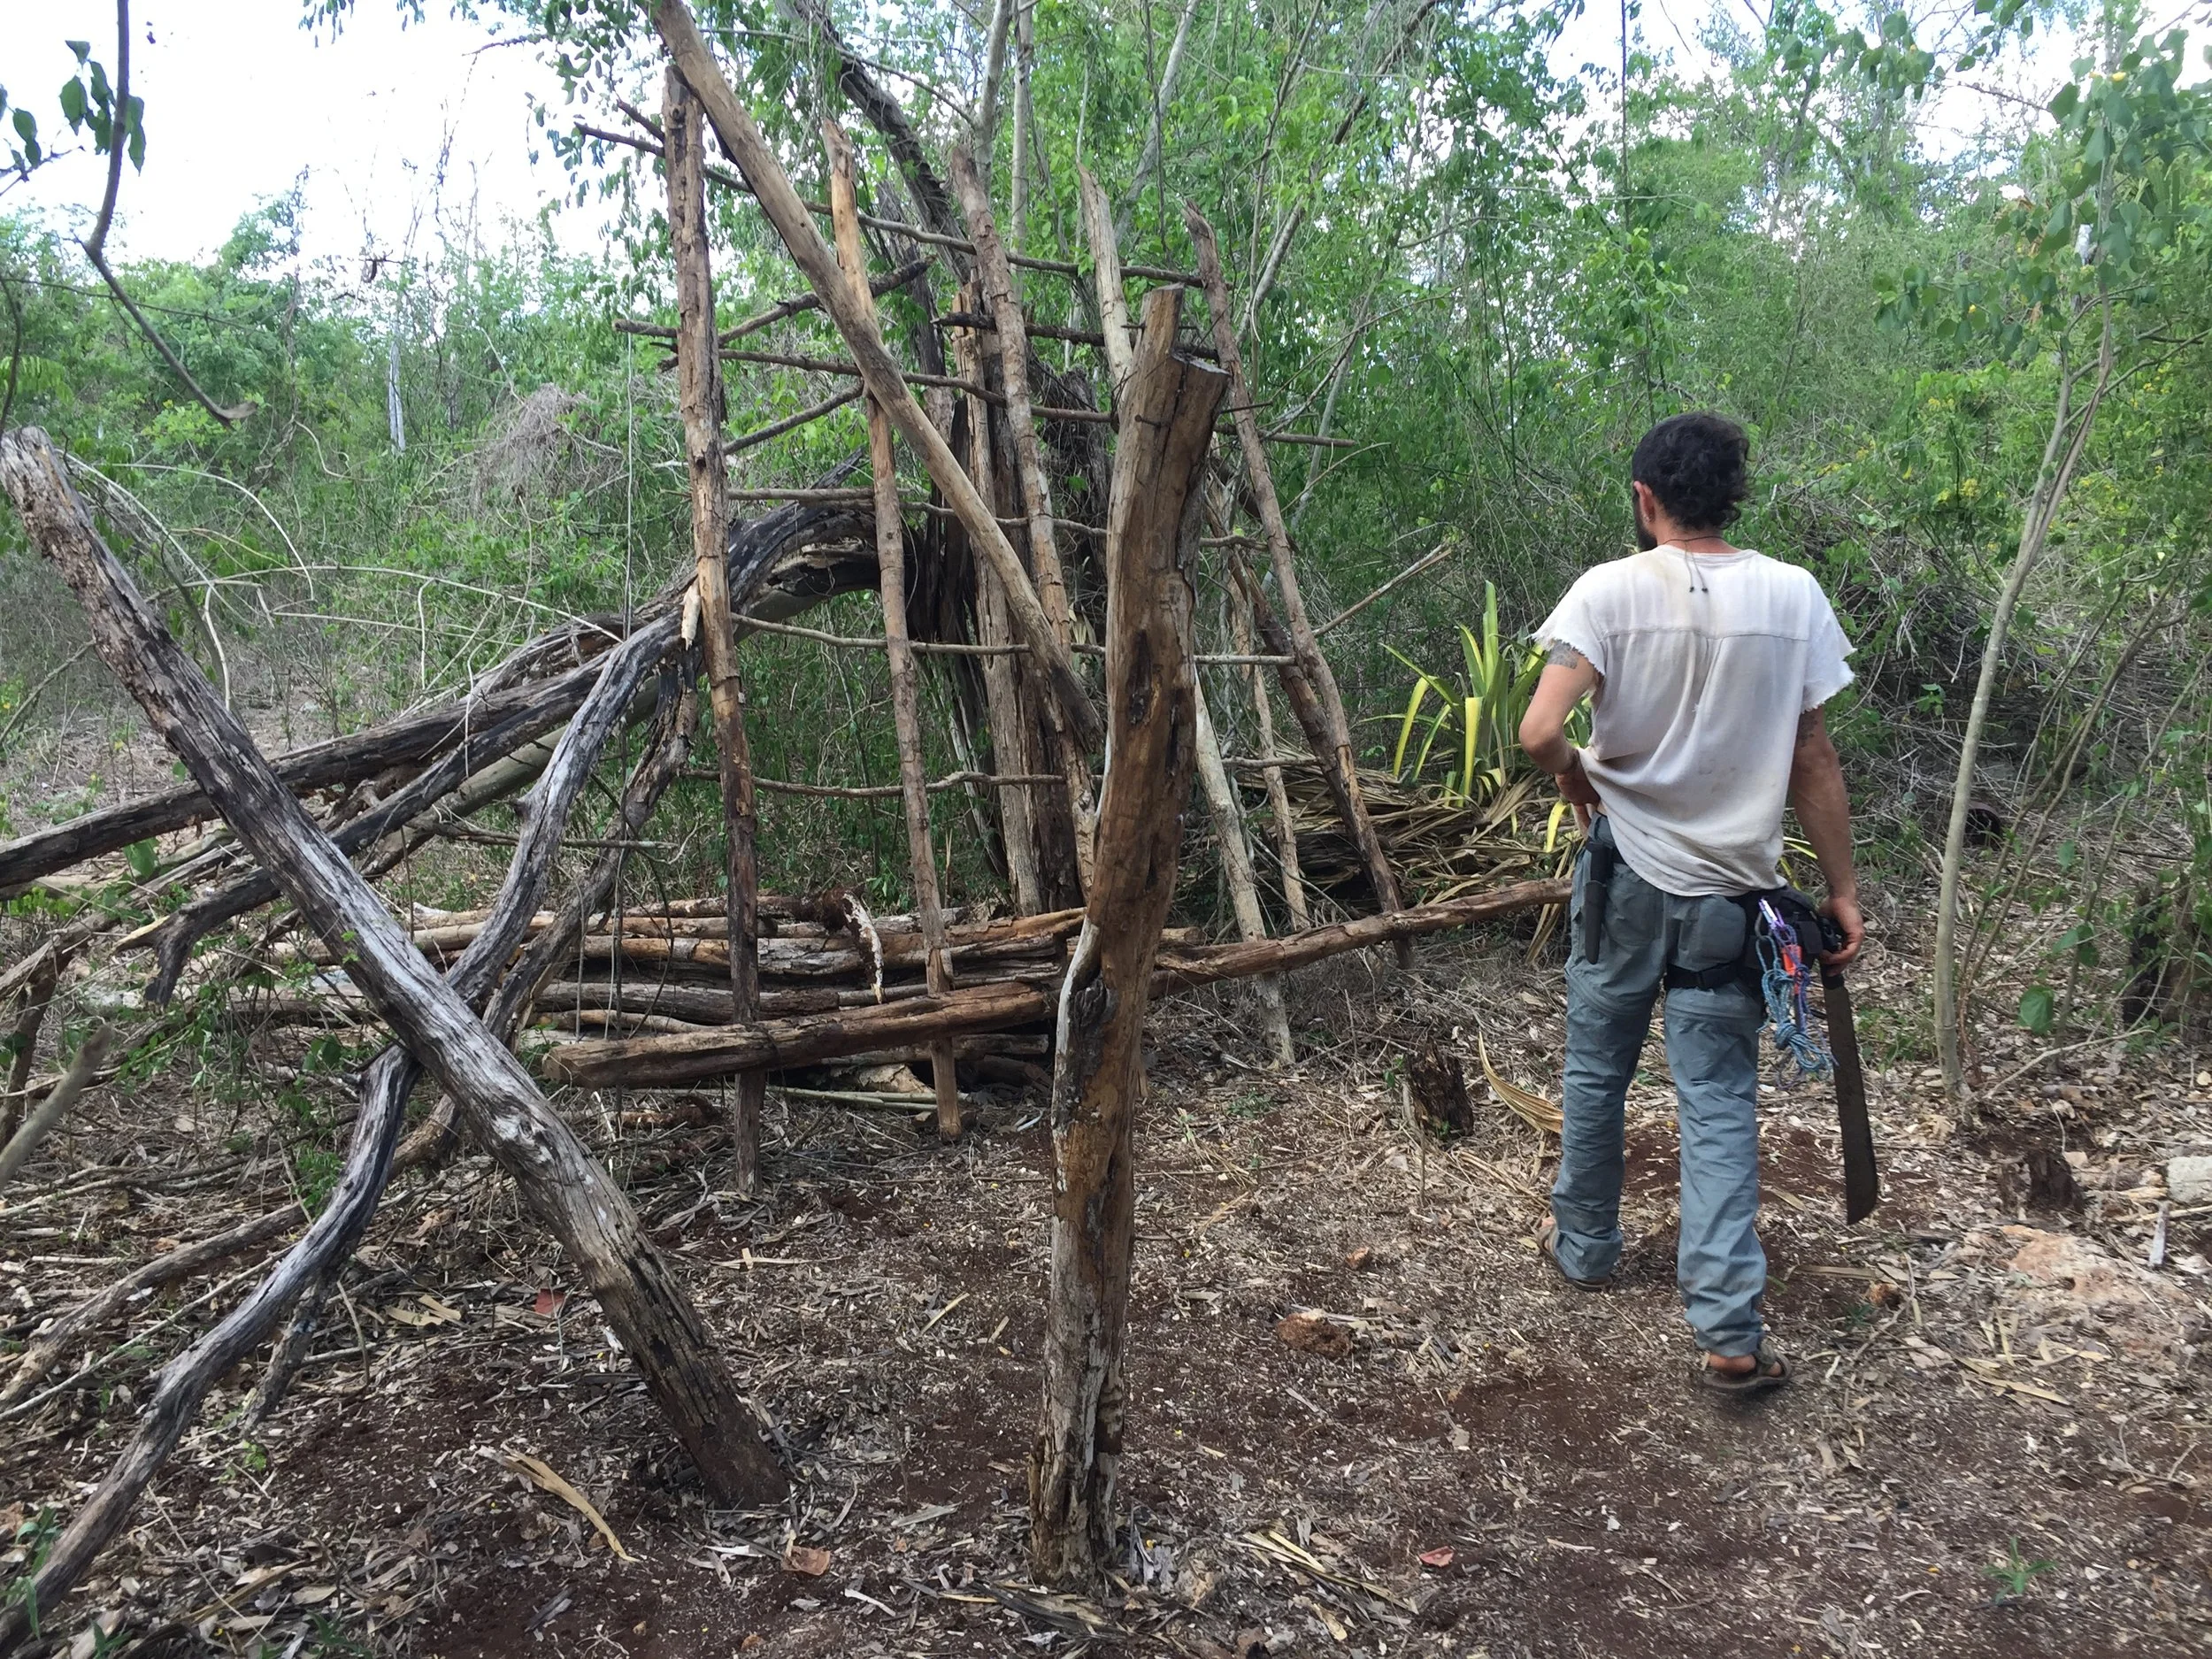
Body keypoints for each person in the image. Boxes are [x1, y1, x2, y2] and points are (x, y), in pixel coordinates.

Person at [1517, 411, 1865, 1394]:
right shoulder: (1793, 596)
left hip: (1626, 878)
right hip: (1733, 899)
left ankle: (1583, 1250)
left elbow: (1540, 729)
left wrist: (1580, 775)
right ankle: (1726, 1332)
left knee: (1597, 1070)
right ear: (1732, 496)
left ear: (1645, 498)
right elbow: (1811, 755)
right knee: (1716, 1101)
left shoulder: (1608, 592)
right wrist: (1840, 892)